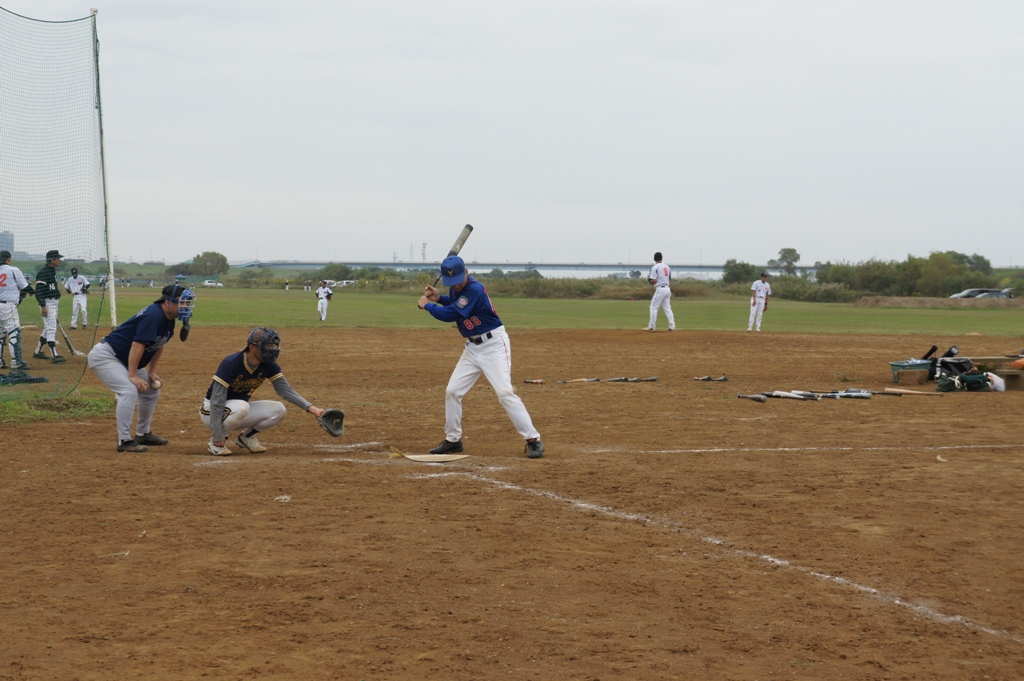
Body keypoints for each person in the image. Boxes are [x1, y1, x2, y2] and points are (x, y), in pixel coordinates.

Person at [417, 255, 545, 459]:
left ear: (466, 272)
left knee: (504, 392)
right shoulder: (457, 287)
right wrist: (439, 298)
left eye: (458, 281)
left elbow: (451, 314)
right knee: (452, 391)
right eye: (452, 283)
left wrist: (427, 305)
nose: (456, 286)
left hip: (493, 345)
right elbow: (456, 303)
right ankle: (453, 440)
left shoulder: (475, 288)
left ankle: (533, 440)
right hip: (472, 347)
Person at [87, 283, 194, 452]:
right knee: (129, 390)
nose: (186, 307)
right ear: (167, 302)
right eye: (182, 302)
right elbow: (137, 345)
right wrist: (132, 375)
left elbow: (159, 344)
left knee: (151, 390)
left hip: (125, 358)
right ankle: (124, 441)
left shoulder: (169, 319)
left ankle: (143, 433)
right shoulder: (154, 315)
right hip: (106, 356)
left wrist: (151, 372)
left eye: (187, 303)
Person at [200, 327, 326, 456]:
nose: (272, 349)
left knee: (278, 409)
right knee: (242, 407)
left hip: (236, 411)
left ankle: (246, 438)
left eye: (273, 346)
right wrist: (217, 435)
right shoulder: (231, 363)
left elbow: (285, 390)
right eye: (267, 346)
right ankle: (216, 443)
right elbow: (217, 400)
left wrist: (313, 409)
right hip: (211, 411)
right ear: (252, 347)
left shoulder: (269, 364)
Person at [0, 249, 34, 371]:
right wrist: (32, 292)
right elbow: (24, 286)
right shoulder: (13, 270)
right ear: (8, 259)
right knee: (14, 333)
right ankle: (16, 362)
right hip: (8, 306)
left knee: (1, 334)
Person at [33, 249, 66, 363]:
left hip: (53, 302)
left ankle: (38, 351)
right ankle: (54, 354)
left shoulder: (52, 271)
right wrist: (43, 306)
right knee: (51, 328)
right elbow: (39, 292)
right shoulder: (44, 272)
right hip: (47, 302)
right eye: (57, 258)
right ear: (51, 260)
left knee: (48, 328)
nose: (59, 260)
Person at [645, 252, 675, 332]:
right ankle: (672, 325)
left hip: (660, 288)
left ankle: (651, 326)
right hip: (667, 289)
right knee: (667, 308)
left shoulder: (655, 267)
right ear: (662, 258)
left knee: (653, 307)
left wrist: (650, 281)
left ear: (654, 259)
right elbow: (669, 278)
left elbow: (654, 280)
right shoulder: (667, 267)